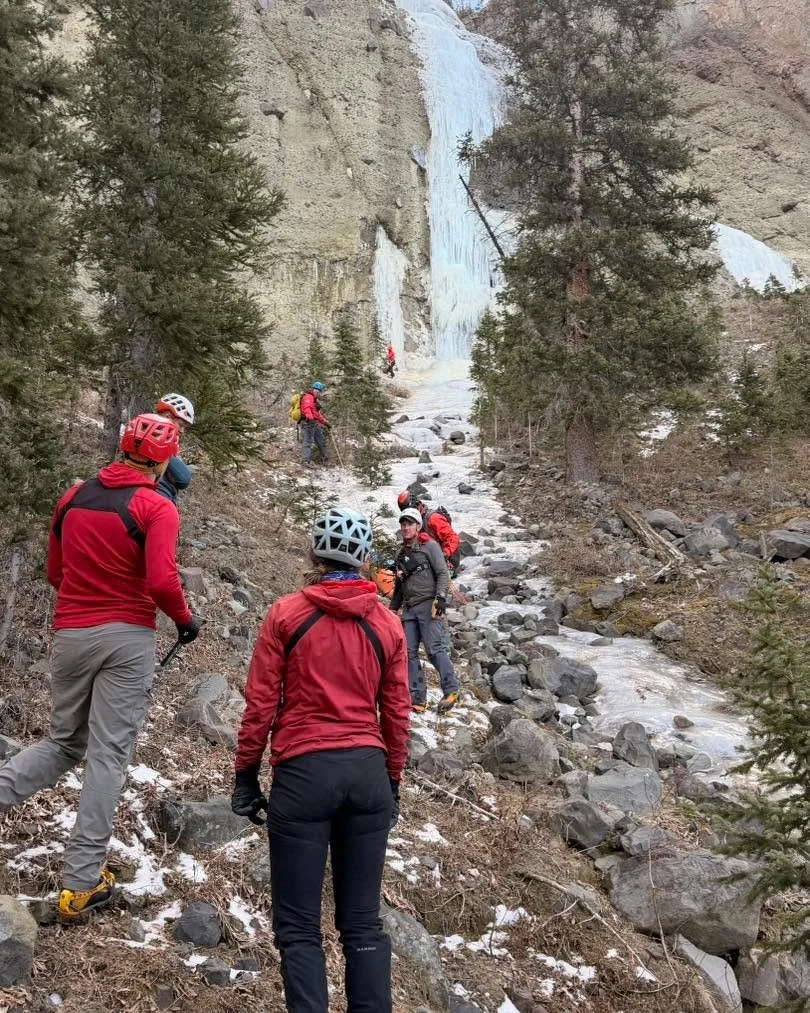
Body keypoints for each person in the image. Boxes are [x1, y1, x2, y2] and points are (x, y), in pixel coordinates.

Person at [0, 414, 202, 919]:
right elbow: (160, 580)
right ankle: (81, 883)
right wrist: (185, 619)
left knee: (62, 742)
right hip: (128, 637)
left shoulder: (71, 498)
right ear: (161, 459)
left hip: (71, 632)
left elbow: (54, 572)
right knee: (107, 755)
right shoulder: (157, 507)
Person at [231, 506, 410, 1013]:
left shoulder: (287, 614)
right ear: (363, 561)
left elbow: (261, 705)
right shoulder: (388, 625)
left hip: (304, 773)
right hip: (367, 773)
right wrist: (391, 780)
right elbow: (397, 713)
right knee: (362, 921)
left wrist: (246, 774)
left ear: (314, 555)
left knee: (298, 927)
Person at [390, 507, 460, 715]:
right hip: (410, 609)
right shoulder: (401, 553)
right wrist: (393, 608)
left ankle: (451, 690)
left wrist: (440, 599)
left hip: (429, 604)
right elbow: (400, 585)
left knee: (434, 648)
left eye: (410, 524)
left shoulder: (430, 546)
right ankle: (418, 697)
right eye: (403, 524)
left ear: (418, 526)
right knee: (408, 653)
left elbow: (442, 573)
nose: (405, 528)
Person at [396, 491, 461, 577]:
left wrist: (444, 554)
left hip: (446, 561)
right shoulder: (411, 524)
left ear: (416, 505)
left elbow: (453, 538)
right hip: (426, 560)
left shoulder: (434, 519)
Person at [154, 392, 195, 504]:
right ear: (167, 416)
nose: (182, 430)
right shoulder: (157, 439)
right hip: (159, 501)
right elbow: (183, 479)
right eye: (181, 425)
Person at [300, 381, 330, 468]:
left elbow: (316, 414)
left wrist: (325, 422)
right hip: (308, 422)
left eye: (319, 391)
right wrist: (310, 418)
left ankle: (324, 459)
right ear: (313, 389)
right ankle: (305, 461)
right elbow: (307, 409)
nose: (318, 392)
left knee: (321, 440)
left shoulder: (313, 398)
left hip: (314, 423)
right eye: (317, 390)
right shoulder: (308, 397)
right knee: (308, 441)